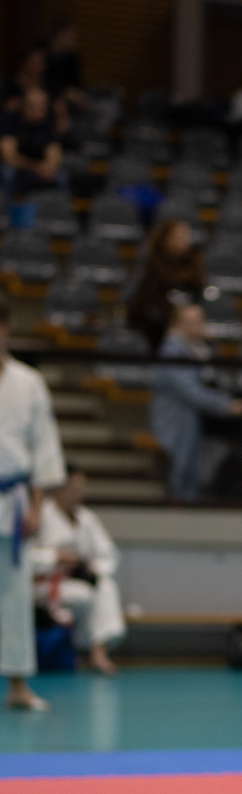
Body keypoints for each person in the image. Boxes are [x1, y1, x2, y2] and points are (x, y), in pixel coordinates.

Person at [0, 293, 66, 711]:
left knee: (14, 598)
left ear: (6, 329)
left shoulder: (28, 383)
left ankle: (18, 685)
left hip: (13, 500)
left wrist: (37, 506)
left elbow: (44, 449)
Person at [31, 468, 124, 674]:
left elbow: (108, 553)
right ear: (58, 488)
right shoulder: (41, 514)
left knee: (105, 587)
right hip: (43, 583)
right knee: (83, 596)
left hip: (76, 578)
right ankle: (80, 651)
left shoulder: (87, 518)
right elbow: (26, 555)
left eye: (82, 488)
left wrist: (91, 568)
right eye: (73, 487)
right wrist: (55, 557)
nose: (79, 493)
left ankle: (98, 651)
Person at [152, 302, 242, 503]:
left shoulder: (198, 348)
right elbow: (189, 391)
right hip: (176, 419)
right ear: (178, 324)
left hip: (194, 418)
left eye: (201, 320)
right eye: (193, 321)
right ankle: (179, 509)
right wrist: (225, 405)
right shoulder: (172, 350)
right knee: (182, 471)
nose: (200, 325)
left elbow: (217, 378)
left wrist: (211, 345)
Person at [127, 220, 204, 351]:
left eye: (186, 236)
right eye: (178, 237)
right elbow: (143, 303)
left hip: (182, 327)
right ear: (166, 239)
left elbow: (198, 288)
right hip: (153, 327)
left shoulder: (193, 262)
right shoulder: (153, 264)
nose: (184, 241)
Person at [0, 86, 64, 201]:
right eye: (33, 107)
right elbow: (9, 156)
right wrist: (37, 167)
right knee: (8, 172)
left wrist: (49, 167)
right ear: (23, 105)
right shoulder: (11, 119)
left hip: (39, 168)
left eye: (42, 107)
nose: (38, 113)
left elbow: (54, 152)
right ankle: (9, 208)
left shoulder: (48, 121)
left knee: (61, 176)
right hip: (18, 167)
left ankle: (60, 209)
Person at [44, 21, 88, 111]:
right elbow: (42, 82)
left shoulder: (72, 58)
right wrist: (64, 92)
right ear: (60, 36)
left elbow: (77, 84)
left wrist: (78, 94)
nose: (74, 41)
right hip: (48, 97)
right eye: (71, 37)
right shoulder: (43, 54)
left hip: (69, 101)